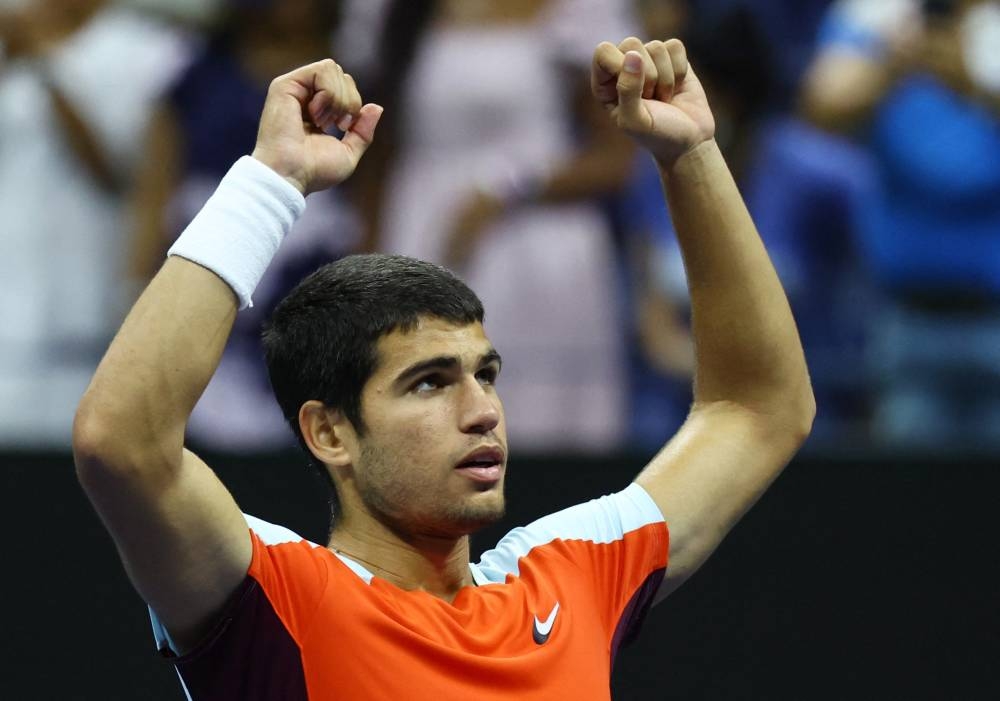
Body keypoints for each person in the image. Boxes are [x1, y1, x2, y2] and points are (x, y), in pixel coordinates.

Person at [73, 37, 815, 699]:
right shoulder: (277, 595)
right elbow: (122, 443)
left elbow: (759, 407)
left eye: (485, 374)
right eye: (429, 381)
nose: (483, 409)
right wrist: (270, 180)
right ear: (329, 432)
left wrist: (689, 155)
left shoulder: (572, 575)